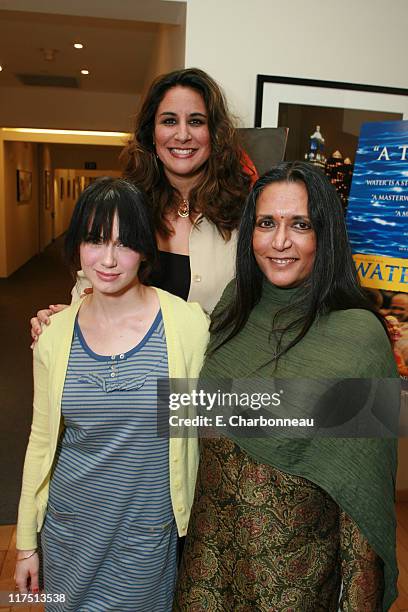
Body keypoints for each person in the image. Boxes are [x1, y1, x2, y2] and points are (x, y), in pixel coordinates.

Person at [174, 162, 399, 611]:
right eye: (266, 224)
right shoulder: (233, 306)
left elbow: (362, 500)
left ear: (327, 235)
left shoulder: (359, 337)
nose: (280, 241)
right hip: (208, 562)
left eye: (300, 224)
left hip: (295, 580)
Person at [15, 178, 209, 611]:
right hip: (69, 531)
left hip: (145, 537)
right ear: (77, 247)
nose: (107, 259)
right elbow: (42, 440)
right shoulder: (54, 336)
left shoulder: (187, 327)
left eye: (124, 244)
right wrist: (26, 542)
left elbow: (212, 423)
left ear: (145, 250)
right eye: (94, 240)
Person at [30, 68, 255, 343]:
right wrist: (67, 320)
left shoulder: (248, 211)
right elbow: (90, 289)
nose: (183, 135)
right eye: (169, 121)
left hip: (213, 375)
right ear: (151, 133)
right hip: (136, 373)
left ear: (214, 133)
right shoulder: (125, 207)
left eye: (196, 121)